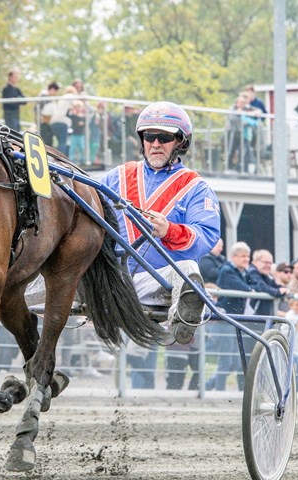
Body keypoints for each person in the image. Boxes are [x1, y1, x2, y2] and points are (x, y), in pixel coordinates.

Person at [101, 101, 221, 346]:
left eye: (164, 137)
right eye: (149, 136)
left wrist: (169, 231)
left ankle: (182, 321)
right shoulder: (117, 177)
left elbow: (207, 235)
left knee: (189, 269)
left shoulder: (195, 187)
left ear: (180, 142)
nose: (155, 143)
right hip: (110, 278)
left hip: (157, 281)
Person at [205, 241, 254, 391]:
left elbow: (254, 285)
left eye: (247, 256)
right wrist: (250, 289)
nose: (246, 259)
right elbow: (242, 287)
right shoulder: (227, 270)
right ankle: (219, 391)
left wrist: (252, 288)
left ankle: (208, 386)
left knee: (234, 362)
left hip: (234, 321)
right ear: (234, 257)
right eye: (242, 256)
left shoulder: (244, 272)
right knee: (225, 359)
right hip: (223, 320)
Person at [225, 92, 259, 174]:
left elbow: (253, 113)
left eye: (243, 103)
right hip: (234, 132)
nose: (241, 104)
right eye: (240, 103)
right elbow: (232, 119)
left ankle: (241, 169)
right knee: (231, 150)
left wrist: (254, 113)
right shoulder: (233, 109)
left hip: (243, 133)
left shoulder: (246, 109)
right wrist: (239, 114)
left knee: (243, 151)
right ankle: (229, 167)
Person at [246, 250, 288, 316]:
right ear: (255, 261)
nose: (268, 265)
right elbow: (261, 287)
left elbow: (273, 286)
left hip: (261, 318)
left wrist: (283, 290)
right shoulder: (252, 272)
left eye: (270, 263)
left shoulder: (264, 274)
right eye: (266, 262)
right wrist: (278, 292)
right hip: (252, 318)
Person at [49, 86, 77, 156]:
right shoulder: (71, 96)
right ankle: (61, 159)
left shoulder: (62, 99)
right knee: (63, 142)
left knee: (60, 142)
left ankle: (57, 157)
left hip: (53, 123)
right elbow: (76, 105)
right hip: (62, 122)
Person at [39, 82, 60, 146]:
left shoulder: (49, 97)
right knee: (45, 139)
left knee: (49, 139)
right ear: (52, 89)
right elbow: (42, 108)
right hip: (43, 121)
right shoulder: (44, 96)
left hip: (48, 122)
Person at [67, 100, 88, 165]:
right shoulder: (73, 116)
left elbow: (86, 124)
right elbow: (67, 115)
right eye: (76, 107)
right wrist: (70, 109)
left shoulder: (83, 116)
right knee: (72, 147)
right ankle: (71, 160)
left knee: (81, 147)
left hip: (81, 135)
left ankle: (82, 160)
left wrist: (83, 123)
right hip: (74, 135)